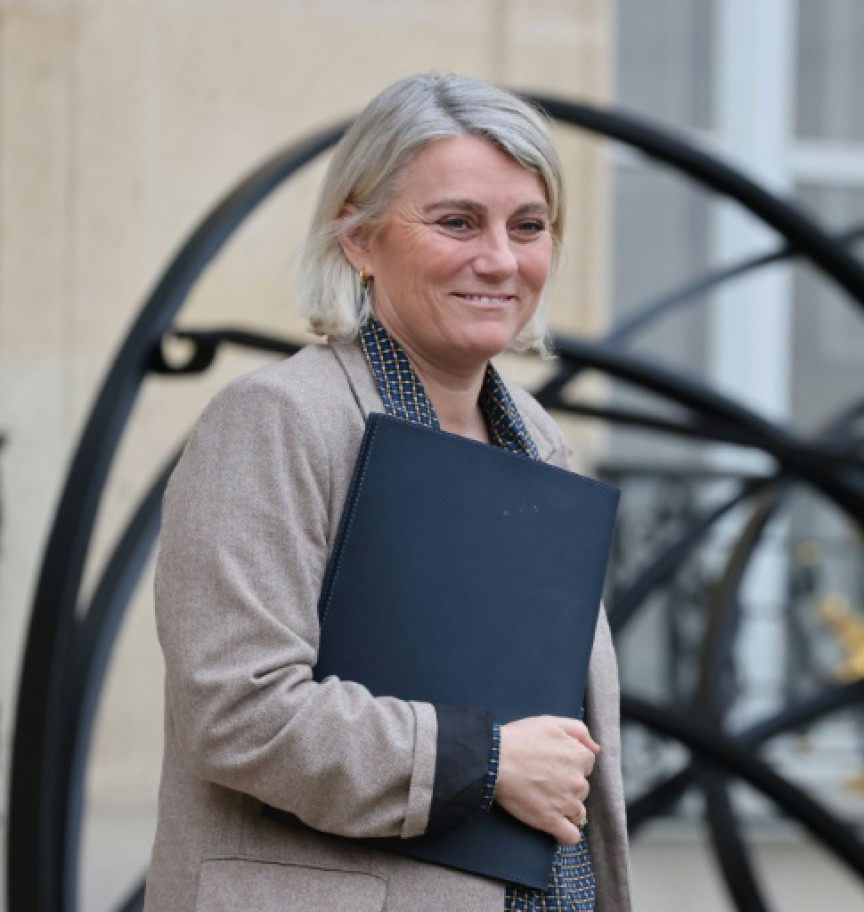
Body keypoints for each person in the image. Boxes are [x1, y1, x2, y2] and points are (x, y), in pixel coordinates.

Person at [146, 73, 632, 912]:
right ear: (358, 240)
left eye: (529, 226)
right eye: (456, 222)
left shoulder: (541, 440)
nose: (500, 259)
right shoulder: (277, 421)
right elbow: (237, 711)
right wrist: (483, 764)